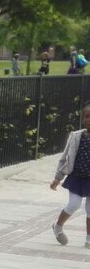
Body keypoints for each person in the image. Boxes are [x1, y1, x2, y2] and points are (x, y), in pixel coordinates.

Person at [50, 105, 90, 247]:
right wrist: (57, 178)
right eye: (87, 116)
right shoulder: (76, 136)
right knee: (74, 204)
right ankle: (58, 226)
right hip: (76, 177)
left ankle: (89, 239)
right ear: (83, 119)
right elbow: (64, 158)